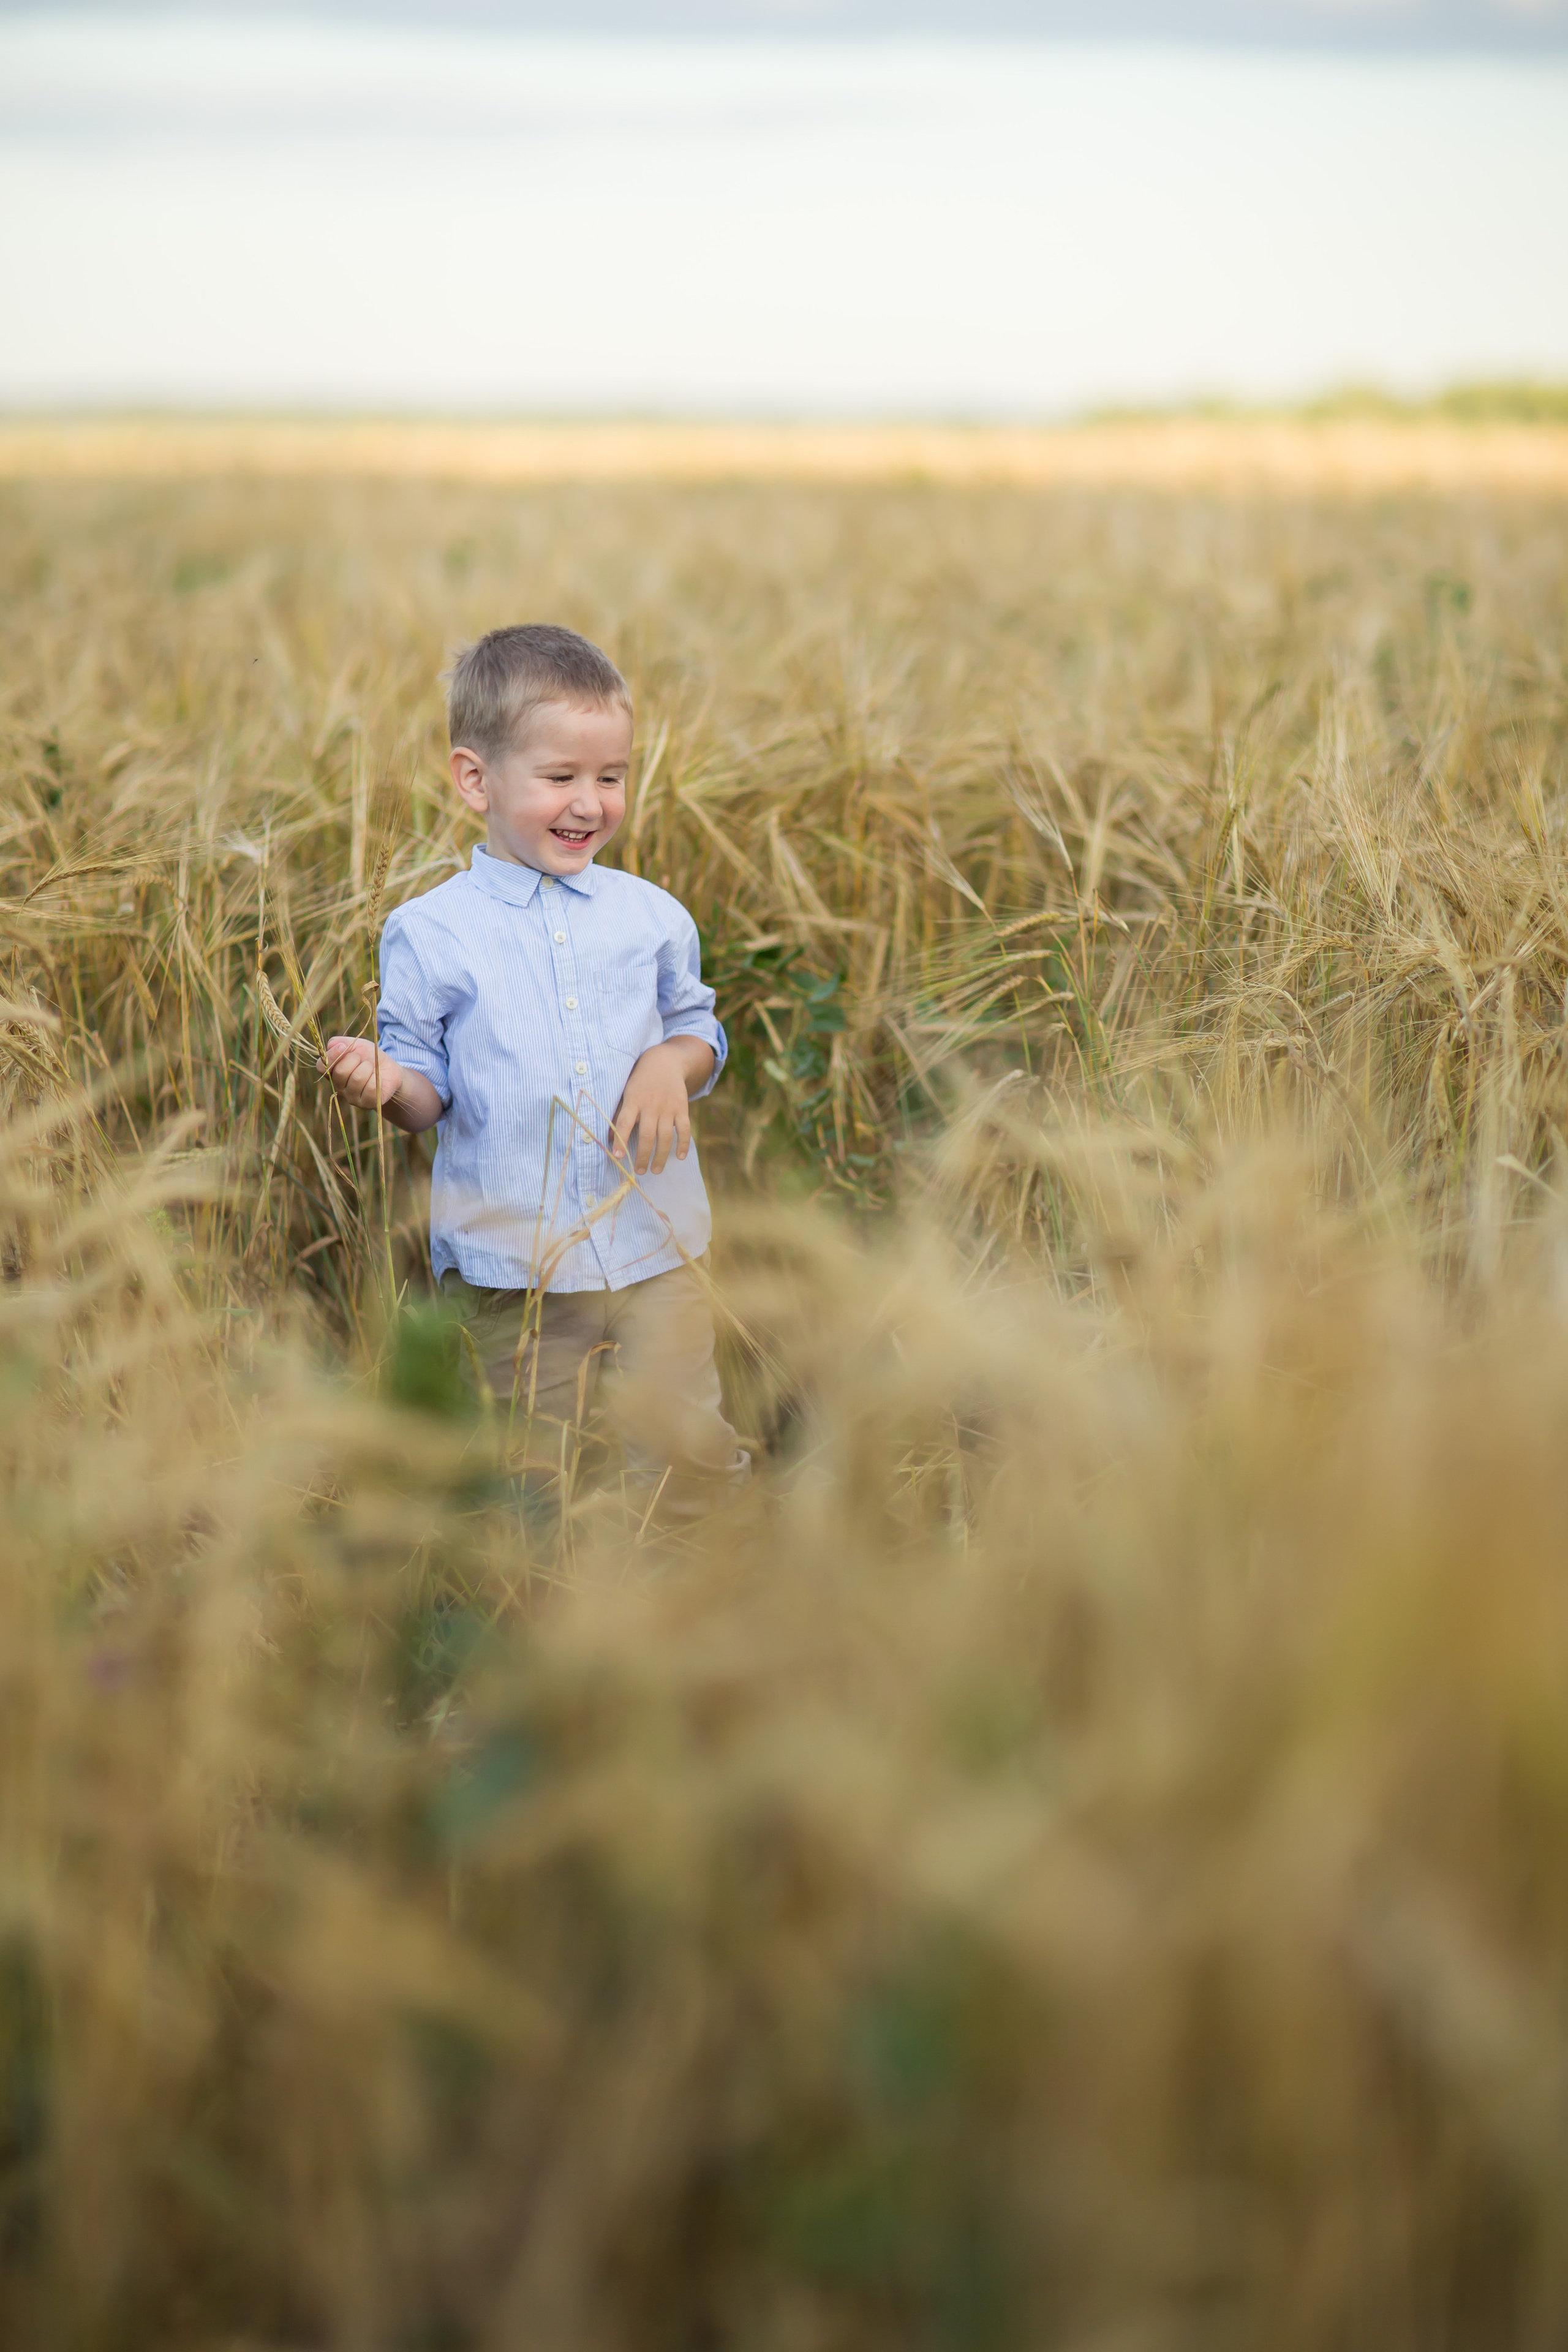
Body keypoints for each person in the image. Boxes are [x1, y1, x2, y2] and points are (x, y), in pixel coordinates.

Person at [325, 623, 748, 1516]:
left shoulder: (652, 918)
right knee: (531, 1482)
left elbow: (698, 1027)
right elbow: (424, 1091)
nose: (590, 802)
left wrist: (674, 1064)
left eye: (612, 776)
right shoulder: (433, 933)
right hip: (513, 1267)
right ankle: (539, 1627)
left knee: (688, 1459)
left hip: (653, 1244)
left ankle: (706, 1609)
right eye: (560, 777)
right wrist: (387, 1084)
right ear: (476, 778)